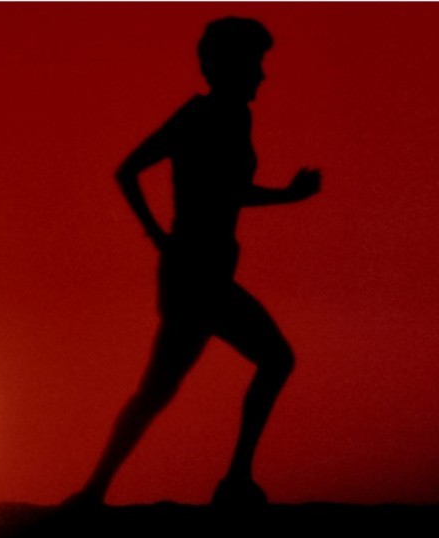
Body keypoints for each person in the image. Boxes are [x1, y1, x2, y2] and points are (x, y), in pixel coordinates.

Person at [69, 17, 321, 506]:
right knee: (272, 360)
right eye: (255, 63)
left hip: (208, 268)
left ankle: (97, 491)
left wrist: (284, 196)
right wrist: (159, 237)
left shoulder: (235, 117)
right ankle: (232, 482)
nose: (261, 75)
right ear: (230, 65)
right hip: (195, 273)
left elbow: (225, 191)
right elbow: (133, 171)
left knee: (160, 388)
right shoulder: (200, 116)